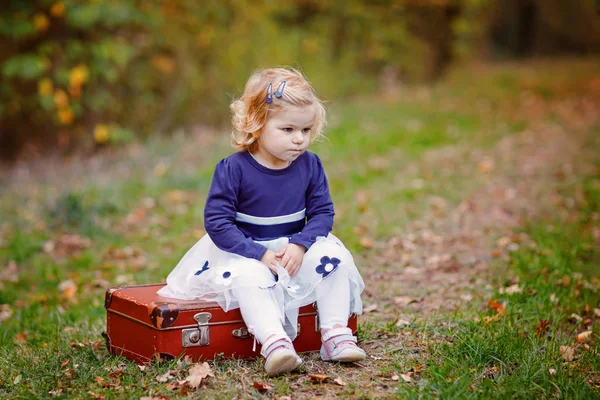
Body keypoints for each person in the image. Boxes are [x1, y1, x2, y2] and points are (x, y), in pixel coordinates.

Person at [157, 67, 366, 376]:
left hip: (293, 248)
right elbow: (218, 223)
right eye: (288, 130)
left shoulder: (309, 165)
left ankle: (335, 334)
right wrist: (260, 255)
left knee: (334, 260)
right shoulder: (234, 169)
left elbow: (323, 213)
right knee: (249, 279)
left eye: (306, 131)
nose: (299, 140)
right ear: (257, 124)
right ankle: (275, 344)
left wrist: (300, 244)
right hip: (244, 250)